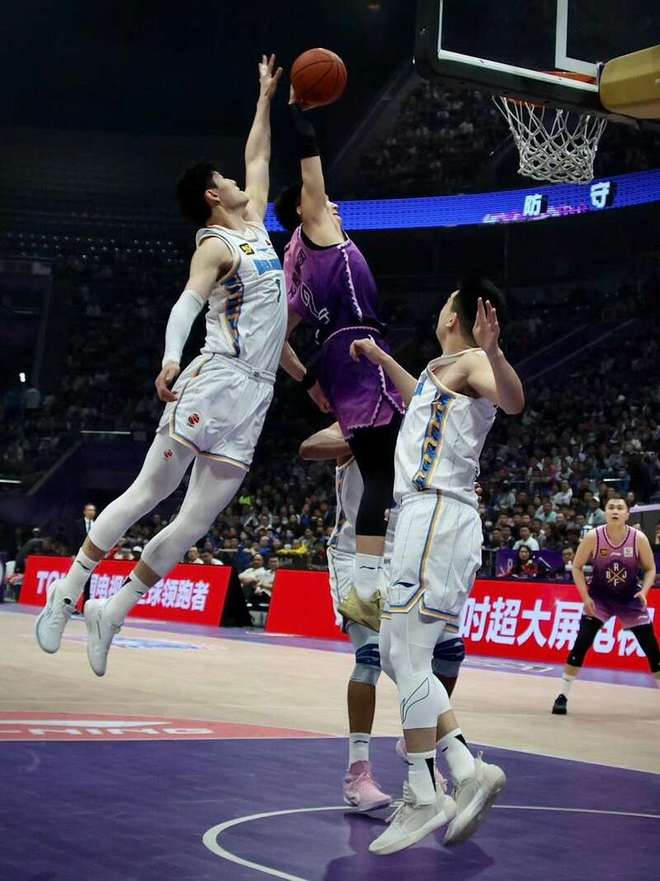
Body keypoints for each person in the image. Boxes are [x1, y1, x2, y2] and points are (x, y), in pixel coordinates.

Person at [35, 55, 286, 676]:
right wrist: (172, 357)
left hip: (257, 395)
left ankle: (113, 610)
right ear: (212, 196)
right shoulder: (215, 245)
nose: (238, 179)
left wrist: (264, 98)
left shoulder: (254, 224)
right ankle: (67, 591)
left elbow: (258, 154)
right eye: (224, 178)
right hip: (218, 377)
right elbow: (187, 304)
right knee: (152, 491)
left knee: (196, 521)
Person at [349, 280, 525, 855]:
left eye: (447, 301)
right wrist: (382, 360)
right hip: (421, 518)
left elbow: (513, 401)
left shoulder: (474, 361)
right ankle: (466, 768)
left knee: (409, 656)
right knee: (397, 655)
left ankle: (425, 791)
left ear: (456, 316)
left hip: (438, 516)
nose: (440, 306)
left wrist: (494, 351)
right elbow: (420, 394)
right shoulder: (437, 371)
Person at [275, 85, 405, 612]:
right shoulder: (318, 231)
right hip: (358, 348)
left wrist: (310, 384)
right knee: (384, 470)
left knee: (380, 466)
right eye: (323, 203)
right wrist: (300, 117)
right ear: (305, 210)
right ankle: (370, 584)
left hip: (334, 360)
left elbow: (277, 340)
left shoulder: (295, 269)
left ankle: (369, 582)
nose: (333, 205)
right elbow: (311, 169)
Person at [300, 422, 468, 812]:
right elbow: (308, 446)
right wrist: (358, 440)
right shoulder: (363, 421)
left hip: (407, 558)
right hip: (355, 555)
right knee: (372, 655)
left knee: (450, 652)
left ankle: (417, 740)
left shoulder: (424, 430)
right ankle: (357, 772)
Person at [551, 497, 659, 715]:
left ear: (627, 514)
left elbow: (650, 569)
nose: (615, 511)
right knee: (581, 643)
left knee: (652, 648)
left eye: (620, 508)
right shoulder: (594, 536)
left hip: (630, 599)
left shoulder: (638, 538)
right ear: (606, 512)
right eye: (611, 507)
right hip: (599, 599)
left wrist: (644, 591)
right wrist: (585, 597)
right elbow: (577, 567)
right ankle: (562, 695)